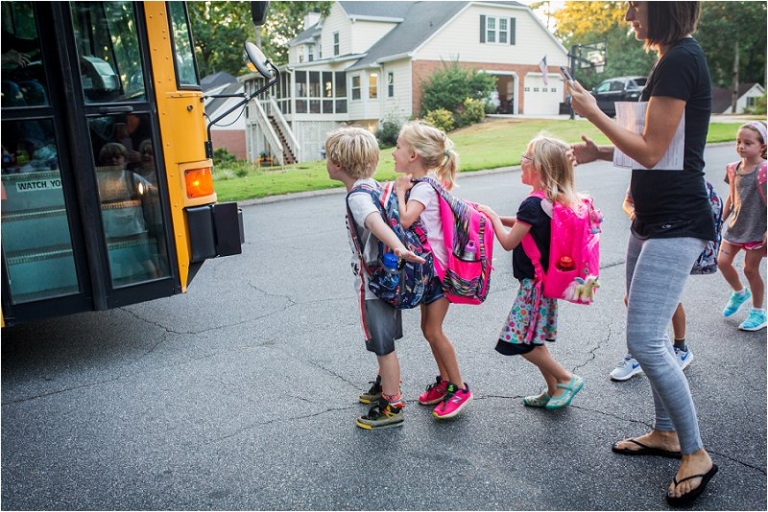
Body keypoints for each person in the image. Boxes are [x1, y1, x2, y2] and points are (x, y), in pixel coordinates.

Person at [567, 2, 717, 506]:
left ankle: (695, 452)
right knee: (644, 325)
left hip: (678, 220)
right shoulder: (672, 57)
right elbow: (661, 147)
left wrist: (594, 113)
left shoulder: (680, 60)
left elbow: (652, 151)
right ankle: (666, 432)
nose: (629, 13)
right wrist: (602, 151)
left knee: (645, 340)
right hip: (651, 219)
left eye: (636, 4)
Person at [324, 126, 425, 430]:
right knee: (387, 340)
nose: (326, 163)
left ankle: (392, 403)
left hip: (374, 284)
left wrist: (396, 245)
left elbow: (372, 219)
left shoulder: (358, 197)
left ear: (339, 164)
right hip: (390, 277)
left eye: (328, 158)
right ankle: (385, 383)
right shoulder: (374, 186)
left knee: (383, 346)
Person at [476, 136, 584, 410]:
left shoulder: (532, 205)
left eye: (526, 157)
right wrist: (497, 217)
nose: (521, 162)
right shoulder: (549, 199)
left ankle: (566, 378)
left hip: (533, 287)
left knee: (519, 342)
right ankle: (552, 389)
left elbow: (509, 241)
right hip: (542, 282)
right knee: (533, 340)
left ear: (540, 167)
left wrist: (490, 216)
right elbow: (525, 225)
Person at [393, 120, 473, 420]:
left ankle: (460, 387)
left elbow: (405, 219)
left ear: (413, 155)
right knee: (429, 330)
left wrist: (400, 191)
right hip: (431, 272)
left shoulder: (422, 188)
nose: (394, 152)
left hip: (439, 274)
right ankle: (445, 382)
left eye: (399, 147)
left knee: (434, 330)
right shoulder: (425, 185)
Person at [611, 190, 693, 381]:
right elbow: (627, 201)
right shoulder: (639, 174)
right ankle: (638, 353)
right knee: (631, 298)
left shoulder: (672, 173)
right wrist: (632, 211)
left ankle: (680, 348)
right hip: (641, 235)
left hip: (667, 237)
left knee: (667, 298)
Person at [717, 121, 767, 331]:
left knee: (750, 269)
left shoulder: (764, 170)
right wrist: (720, 219)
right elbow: (731, 198)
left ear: (762, 147)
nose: (741, 146)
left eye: (748, 143)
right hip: (736, 226)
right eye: (739, 142)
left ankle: (758, 312)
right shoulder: (732, 168)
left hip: (757, 228)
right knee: (722, 261)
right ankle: (739, 293)